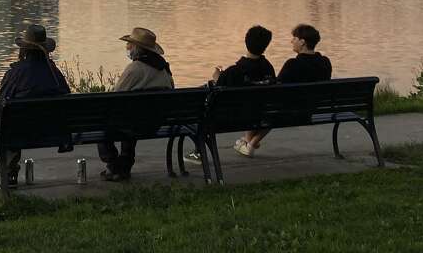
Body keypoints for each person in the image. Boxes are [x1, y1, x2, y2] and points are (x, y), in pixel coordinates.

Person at [0, 24, 69, 184]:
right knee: (13, 120)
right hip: (53, 131)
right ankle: (4, 166)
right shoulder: (54, 72)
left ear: (23, 50)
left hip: (20, 131)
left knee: (6, 122)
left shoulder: (16, 73)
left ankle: (7, 169)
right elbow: (66, 96)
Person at [234, 23, 331, 157]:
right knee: (271, 105)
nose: (292, 41)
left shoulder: (293, 64)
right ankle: (248, 142)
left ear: (302, 42)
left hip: (289, 112)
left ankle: (249, 143)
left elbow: (275, 90)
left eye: (294, 38)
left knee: (259, 101)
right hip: (312, 109)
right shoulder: (325, 62)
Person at [188, 25, 276, 162]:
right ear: (266, 45)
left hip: (229, 118)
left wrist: (217, 77)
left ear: (246, 41)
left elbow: (219, 89)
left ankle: (199, 153)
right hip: (259, 115)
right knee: (252, 103)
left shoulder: (234, 71)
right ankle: (248, 142)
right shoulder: (269, 69)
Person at [98, 27, 174, 181]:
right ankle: (124, 165)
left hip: (133, 123)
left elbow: (115, 96)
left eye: (129, 45)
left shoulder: (135, 69)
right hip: (157, 122)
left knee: (108, 122)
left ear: (138, 48)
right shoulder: (164, 69)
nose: (127, 48)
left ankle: (114, 165)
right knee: (134, 115)